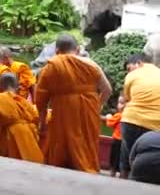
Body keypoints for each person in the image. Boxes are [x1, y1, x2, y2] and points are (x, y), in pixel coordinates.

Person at [34, 34, 112, 173]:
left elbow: (41, 99)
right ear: (77, 49)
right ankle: (88, 171)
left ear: (57, 51)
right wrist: (96, 107)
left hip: (63, 113)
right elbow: (107, 90)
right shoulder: (91, 64)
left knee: (61, 147)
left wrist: (41, 122)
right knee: (86, 145)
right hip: (89, 112)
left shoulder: (52, 65)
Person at [120, 53, 160, 179]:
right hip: (159, 126)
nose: (129, 71)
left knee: (127, 153)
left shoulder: (132, 75)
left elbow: (127, 99)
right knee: (153, 157)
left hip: (132, 120)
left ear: (139, 63)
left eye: (129, 68)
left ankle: (123, 181)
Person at [0, 72, 44, 163]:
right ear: (18, 88)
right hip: (30, 141)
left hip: (9, 142)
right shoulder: (25, 103)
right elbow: (36, 120)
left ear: (0, 87)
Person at [101, 96, 125, 177]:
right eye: (119, 103)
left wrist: (108, 116)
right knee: (122, 160)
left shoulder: (119, 115)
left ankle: (112, 173)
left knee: (114, 159)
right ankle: (122, 175)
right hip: (125, 142)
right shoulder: (128, 116)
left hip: (117, 140)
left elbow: (109, 123)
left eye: (122, 103)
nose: (119, 105)